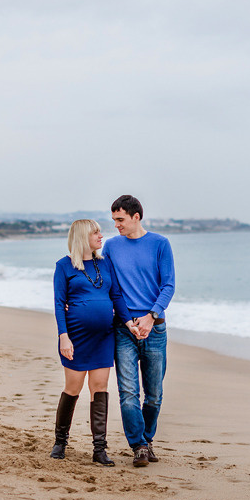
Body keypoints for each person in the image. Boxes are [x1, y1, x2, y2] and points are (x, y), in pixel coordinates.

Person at [52, 219, 134, 466]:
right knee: (73, 389)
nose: (101, 235)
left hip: (103, 337)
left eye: (100, 231)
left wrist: (129, 323)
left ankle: (99, 449)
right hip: (75, 338)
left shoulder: (104, 263)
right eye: (95, 232)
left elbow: (116, 296)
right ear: (82, 237)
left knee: (100, 389)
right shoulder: (64, 266)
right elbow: (58, 303)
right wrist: (63, 336)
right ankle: (60, 442)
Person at [102, 195, 176, 468]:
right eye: (114, 220)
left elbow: (168, 286)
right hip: (124, 330)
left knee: (154, 394)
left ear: (136, 216)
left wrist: (150, 316)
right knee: (128, 392)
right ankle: (139, 446)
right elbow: (113, 289)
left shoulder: (160, 244)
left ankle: (147, 438)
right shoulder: (111, 246)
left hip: (155, 329)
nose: (116, 225)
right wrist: (127, 321)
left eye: (120, 220)